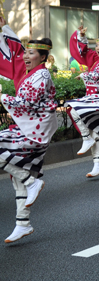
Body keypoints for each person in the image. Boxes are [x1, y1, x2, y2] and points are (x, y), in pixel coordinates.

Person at [0, 16, 58, 243]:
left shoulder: (42, 74)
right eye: (24, 52)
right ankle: (23, 224)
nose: (24, 55)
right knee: (16, 178)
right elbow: (14, 52)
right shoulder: (30, 74)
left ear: (43, 57)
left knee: (21, 176)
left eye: (31, 53)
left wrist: (3, 97)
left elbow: (27, 103)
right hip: (30, 128)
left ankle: (31, 182)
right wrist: (5, 28)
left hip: (35, 131)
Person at [66, 26, 99, 178]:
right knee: (94, 129)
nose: (97, 47)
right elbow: (84, 53)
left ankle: (85, 138)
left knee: (73, 109)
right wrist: (82, 36)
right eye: (96, 45)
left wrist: (83, 75)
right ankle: (98, 164)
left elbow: (96, 75)